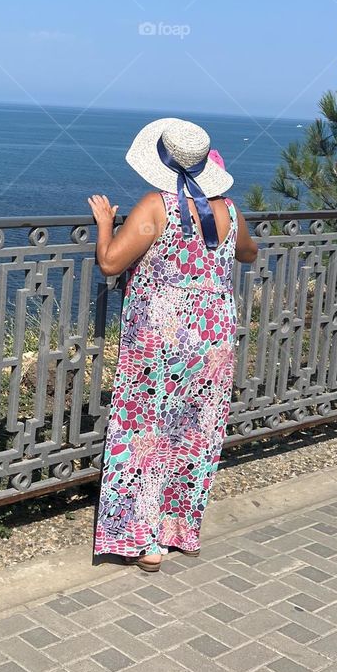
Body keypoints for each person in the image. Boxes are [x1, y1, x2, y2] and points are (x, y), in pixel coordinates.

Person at [88, 118, 258, 572]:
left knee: (146, 433)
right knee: (194, 433)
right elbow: (248, 253)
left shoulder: (156, 206)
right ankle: (180, 529)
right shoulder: (229, 209)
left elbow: (110, 263)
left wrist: (106, 224)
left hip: (161, 338)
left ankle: (144, 542)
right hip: (214, 336)